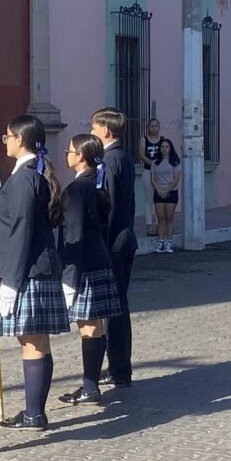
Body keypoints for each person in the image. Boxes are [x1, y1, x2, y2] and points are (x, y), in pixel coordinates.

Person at [0, 115, 66, 431]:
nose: (4, 139)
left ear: (20, 139)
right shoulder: (29, 175)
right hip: (36, 268)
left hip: (29, 271)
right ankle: (35, 410)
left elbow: (22, 230)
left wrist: (10, 281)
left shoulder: (24, 178)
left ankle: (35, 413)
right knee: (38, 342)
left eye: (7, 135)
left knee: (32, 343)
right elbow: (18, 218)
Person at [56, 133, 122, 406]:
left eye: (70, 150)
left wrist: (69, 279)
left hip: (84, 266)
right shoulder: (95, 185)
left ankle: (90, 386)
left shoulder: (76, 190)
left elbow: (75, 232)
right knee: (97, 326)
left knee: (89, 328)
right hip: (99, 260)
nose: (66, 154)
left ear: (81, 156)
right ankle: (91, 383)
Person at [89, 107, 136, 388]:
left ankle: (119, 368)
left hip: (114, 242)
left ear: (106, 130)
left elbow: (108, 206)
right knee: (118, 307)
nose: (92, 132)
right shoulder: (122, 157)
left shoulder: (109, 160)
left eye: (94, 128)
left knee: (115, 309)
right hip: (124, 238)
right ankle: (119, 366)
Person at [150, 136, 182, 253]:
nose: (164, 149)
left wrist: (167, 190)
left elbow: (176, 178)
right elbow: (152, 178)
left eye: (166, 147)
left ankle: (169, 242)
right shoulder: (155, 162)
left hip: (171, 192)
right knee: (160, 218)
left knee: (169, 217)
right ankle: (161, 241)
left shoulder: (175, 162)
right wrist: (158, 190)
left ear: (170, 148)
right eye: (162, 147)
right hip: (158, 192)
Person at [137, 118, 162, 236]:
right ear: (148, 128)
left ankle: (159, 225)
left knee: (159, 199)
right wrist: (152, 164)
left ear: (159, 128)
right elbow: (141, 155)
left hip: (160, 174)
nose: (154, 128)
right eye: (151, 126)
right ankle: (149, 225)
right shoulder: (144, 140)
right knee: (149, 199)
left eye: (156, 126)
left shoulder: (162, 140)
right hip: (148, 171)